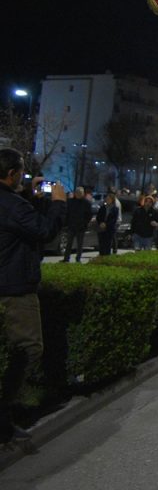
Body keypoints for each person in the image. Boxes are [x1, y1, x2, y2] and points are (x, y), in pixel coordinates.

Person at [0, 149, 66, 450]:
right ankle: (3, 418)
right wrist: (57, 204)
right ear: (12, 173)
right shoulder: (13, 205)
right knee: (28, 349)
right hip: (14, 289)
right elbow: (45, 231)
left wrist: (28, 196)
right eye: (21, 173)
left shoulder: (15, 204)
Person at [62, 186, 92, 262]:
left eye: (80, 193)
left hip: (81, 226)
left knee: (79, 244)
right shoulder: (71, 202)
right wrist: (67, 223)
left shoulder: (86, 203)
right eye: (77, 193)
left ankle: (78, 258)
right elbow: (67, 213)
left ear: (82, 194)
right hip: (72, 225)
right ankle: (66, 258)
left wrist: (85, 223)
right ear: (75, 193)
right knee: (69, 243)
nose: (78, 194)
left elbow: (89, 215)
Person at [95, 192, 120, 256]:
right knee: (101, 245)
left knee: (108, 245)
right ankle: (101, 256)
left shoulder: (115, 209)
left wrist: (106, 224)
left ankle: (106, 256)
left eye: (109, 199)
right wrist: (101, 223)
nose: (107, 200)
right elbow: (98, 217)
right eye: (107, 199)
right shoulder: (102, 208)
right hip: (101, 229)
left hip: (110, 229)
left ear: (112, 200)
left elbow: (114, 219)